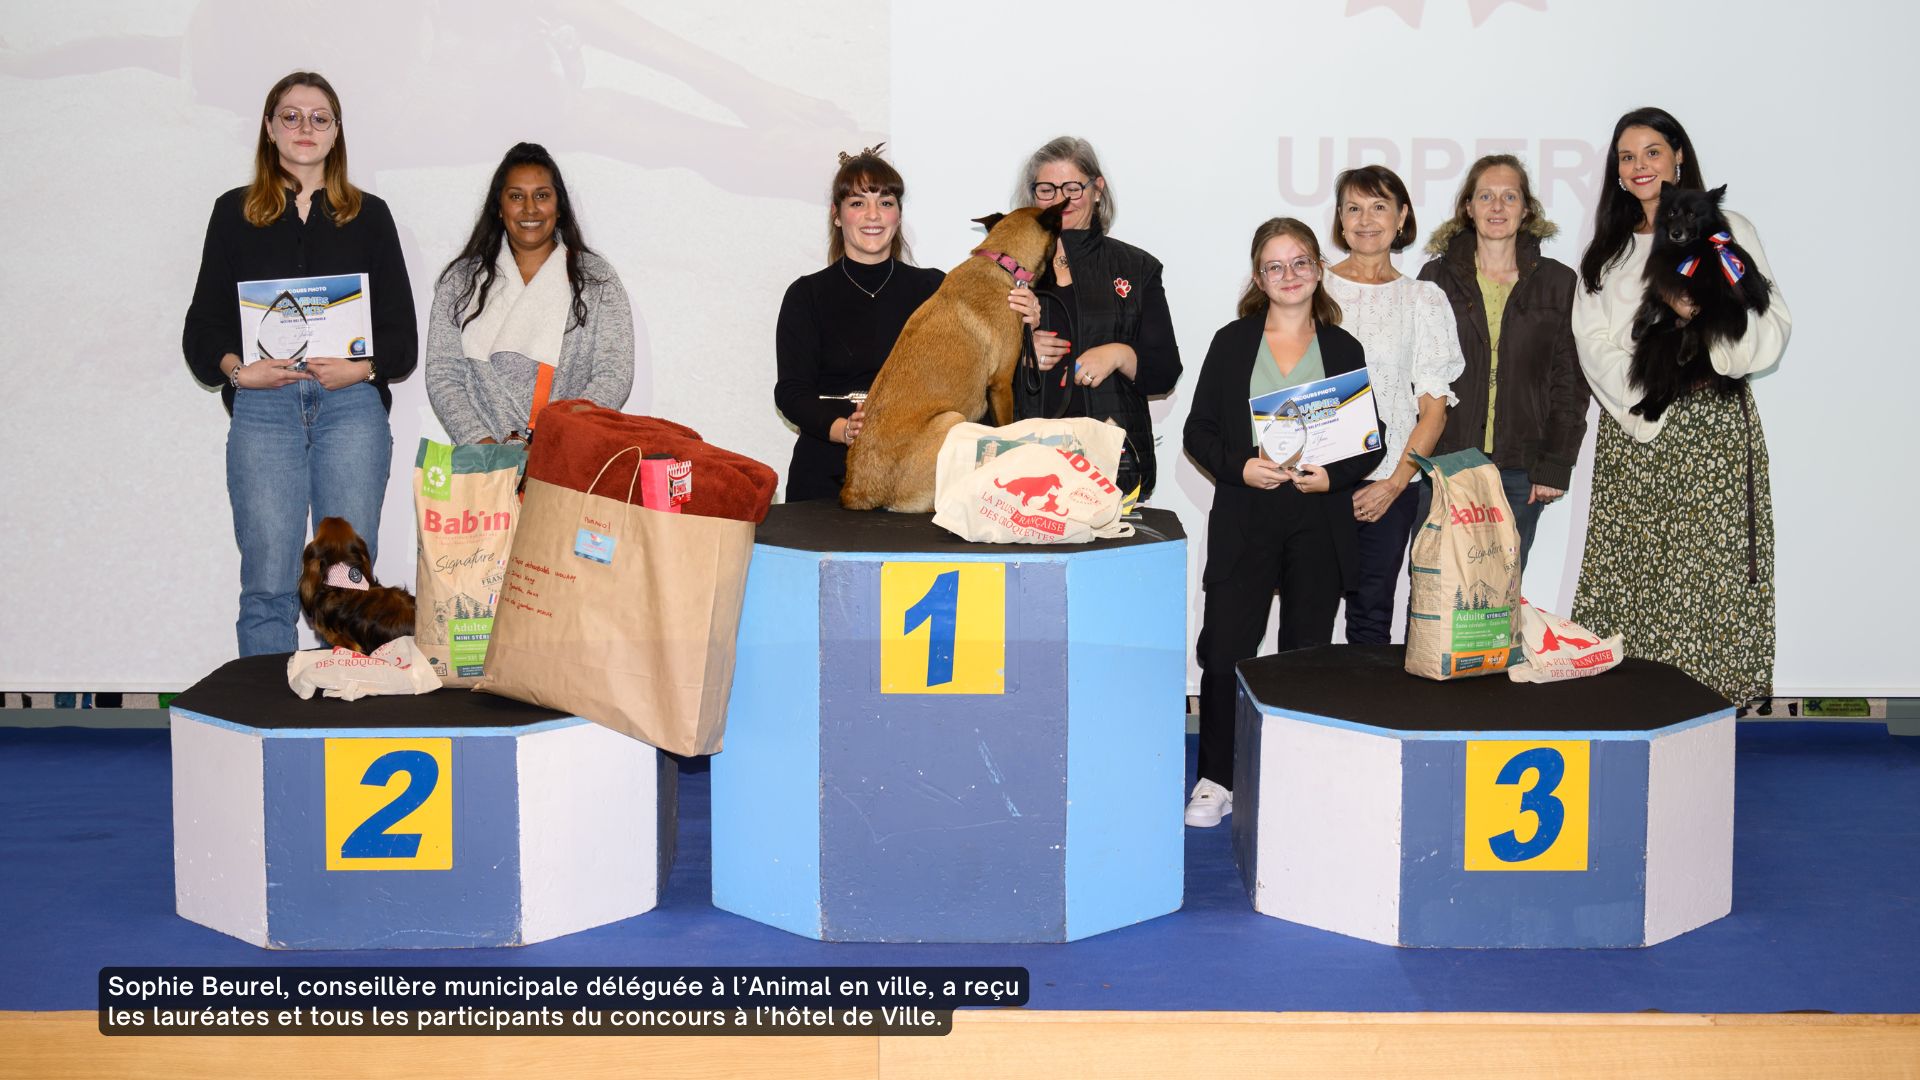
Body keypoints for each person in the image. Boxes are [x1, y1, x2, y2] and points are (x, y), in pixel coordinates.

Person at [182, 71, 415, 657]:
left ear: (337, 133)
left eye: (319, 118)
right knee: (266, 584)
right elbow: (201, 328)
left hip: (350, 410)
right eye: (290, 115)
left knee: (348, 581)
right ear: (268, 127)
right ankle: (266, 726)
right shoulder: (233, 214)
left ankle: (351, 718)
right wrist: (240, 372)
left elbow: (402, 338)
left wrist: (361, 369)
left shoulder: (372, 215)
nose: (304, 128)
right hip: (264, 411)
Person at [1572, 107, 1790, 706]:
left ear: (1678, 159)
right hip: (1637, 429)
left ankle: (1707, 714)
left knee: (1711, 576)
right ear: (1617, 174)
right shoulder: (1607, 254)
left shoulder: (1728, 229)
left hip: (1714, 433)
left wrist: (1700, 321)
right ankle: (1629, 711)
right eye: (1626, 157)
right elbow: (1591, 342)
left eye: (1651, 152)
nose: (1639, 166)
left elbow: (1770, 324)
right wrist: (1650, 389)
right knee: (1634, 573)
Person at [1182, 219, 1385, 828]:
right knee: (1224, 651)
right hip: (1248, 512)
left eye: (1300, 262)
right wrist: (1242, 468)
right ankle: (1215, 780)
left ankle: (1295, 777)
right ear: (1258, 277)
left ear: (1318, 268)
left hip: (1317, 517)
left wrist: (1337, 476)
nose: (1289, 276)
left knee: (1306, 653)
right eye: (1276, 266)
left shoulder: (1343, 348)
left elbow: (1370, 441)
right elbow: (1199, 432)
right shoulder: (1232, 342)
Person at [1416, 155, 1589, 577]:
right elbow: (1417, 375)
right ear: (1468, 208)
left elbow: (1571, 383)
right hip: (1447, 464)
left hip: (1520, 468)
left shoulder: (1559, 282)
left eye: (1509, 196)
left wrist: (1555, 464)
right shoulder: (1434, 279)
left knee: (1497, 597)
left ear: (1526, 209)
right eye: (1486, 196)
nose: (1497, 207)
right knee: (1436, 590)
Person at [1320, 164, 1464, 643]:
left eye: (1379, 207)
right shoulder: (1311, 286)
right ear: (1339, 220)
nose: (1366, 219)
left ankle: (1365, 715)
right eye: (1354, 208)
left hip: (1388, 482)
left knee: (1371, 613)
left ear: (1402, 217)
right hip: (1312, 481)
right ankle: (1302, 716)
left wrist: (1395, 485)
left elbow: (1433, 410)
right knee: (1308, 608)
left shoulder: (1423, 300)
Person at [425, 142, 634, 446]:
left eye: (541, 195)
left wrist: (554, 441)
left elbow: (613, 374)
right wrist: (482, 445)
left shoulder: (596, 280)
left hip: (564, 458)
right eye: (516, 196)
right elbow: (443, 374)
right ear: (499, 208)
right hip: (485, 463)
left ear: (559, 207)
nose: (530, 208)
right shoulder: (460, 282)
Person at [1009, 136, 1181, 501]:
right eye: (1046, 189)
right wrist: (1019, 354)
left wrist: (1120, 354)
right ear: (1032, 196)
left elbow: (1165, 370)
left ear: (1097, 189)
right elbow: (973, 369)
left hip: (1112, 467)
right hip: (1025, 465)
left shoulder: (1137, 269)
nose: (1060, 200)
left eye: (1072, 187)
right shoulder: (1006, 268)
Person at [773, 145, 944, 502]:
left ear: (898, 214)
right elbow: (791, 392)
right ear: (836, 215)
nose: (873, 215)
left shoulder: (935, 288)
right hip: (823, 474)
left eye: (885, 202)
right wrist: (842, 431)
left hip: (912, 476)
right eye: (857, 203)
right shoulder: (806, 295)